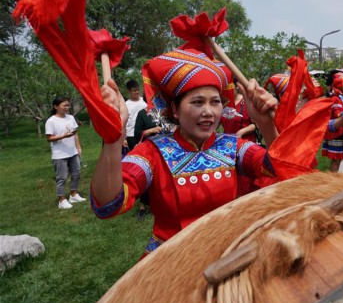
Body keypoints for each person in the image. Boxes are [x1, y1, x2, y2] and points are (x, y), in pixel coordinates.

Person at [90, 46, 279, 257]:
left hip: (230, 254)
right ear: (175, 110)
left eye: (215, 102)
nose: (208, 112)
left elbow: (279, 172)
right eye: (197, 102)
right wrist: (113, 139)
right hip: (172, 262)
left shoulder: (232, 146)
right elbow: (108, 204)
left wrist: (266, 125)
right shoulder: (152, 151)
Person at [45, 97, 86, 209]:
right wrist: (64, 136)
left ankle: (73, 194)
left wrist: (78, 147)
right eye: (64, 105)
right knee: (62, 177)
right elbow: (49, 138)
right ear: (56, 106)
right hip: (59, 154)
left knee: (76, 173)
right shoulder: (51, 121)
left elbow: (75, 134)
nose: (67, 108)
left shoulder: (71, 118)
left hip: (72, 152)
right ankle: (61, 200)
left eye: (68, 105)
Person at [132, 107, 163, 220]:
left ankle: (160, 205)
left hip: (163, 150)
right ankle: (142, 207)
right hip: (148, 150)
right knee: (147, 177)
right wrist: (151, 130)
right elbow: (137, 133)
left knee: (160, 178)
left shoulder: (163, 111)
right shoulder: (142, 113)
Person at [322, 73, 343, 172]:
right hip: (338, 132)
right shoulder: (335, 98)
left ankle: (339, 179)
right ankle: (331, 180)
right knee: (336, 160)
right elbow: (338, 115)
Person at [125, 80, 148, 151]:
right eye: (134, 90)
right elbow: (124, 122)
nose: (137, 92)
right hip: (131, 135)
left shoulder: (144, 102)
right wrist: (124, 138)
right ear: (129, 91)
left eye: (138, 90)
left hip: (144, 134)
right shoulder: (126, 105)